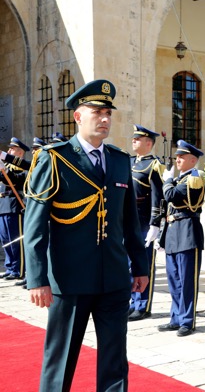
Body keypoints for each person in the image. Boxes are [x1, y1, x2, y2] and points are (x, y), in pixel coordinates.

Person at [23, 79, 149, 391]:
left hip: (114, 278)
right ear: (78, 116)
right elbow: (35, 226)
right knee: (61, 358)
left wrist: (141, 266)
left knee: (114, 360)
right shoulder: (55, 159)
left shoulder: (120, 160)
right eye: (97, 112)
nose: (105, 119)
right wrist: (37, 279)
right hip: (70, 280)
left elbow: (130, 222)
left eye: (108, 113)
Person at [157, 139, 205, 337]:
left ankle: (187, 320)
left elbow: (171, 195)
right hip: (173, 232)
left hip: (187, 232)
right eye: (177, 156)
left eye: (182, 157)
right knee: (174, 279)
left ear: (193, 161)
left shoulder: (193, 179)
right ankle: (175, 318)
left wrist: (167, 180)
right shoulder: (180, 180)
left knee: (186, 280)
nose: (177, 160)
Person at [128, 124, 164, 321]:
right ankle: (130, 301)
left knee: (143, 264)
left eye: (138, 138)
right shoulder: (129, 162)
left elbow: (158, 197)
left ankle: (142, 305)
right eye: (134, 138)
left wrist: (155, 224)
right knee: (127, 264)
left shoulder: (153, 165)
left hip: (143, 221)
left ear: (148, 143)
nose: (134, 140)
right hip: (127, 221)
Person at [0, 137, 29, 282]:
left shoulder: (20, 168)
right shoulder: (7, 166)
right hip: (3, 205)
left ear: (20, 153)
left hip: (13, 205)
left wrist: (4, 170)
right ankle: (10, 266)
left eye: (12, 149)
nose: (9, 150)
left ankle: (19, 269)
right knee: (5, 239)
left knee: (15, 240)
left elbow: (12, 179)